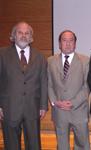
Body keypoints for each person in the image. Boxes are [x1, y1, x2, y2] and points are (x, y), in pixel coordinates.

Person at [0, 21, 48, 150]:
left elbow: (43, 81)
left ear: (31, 37)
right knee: (11, 145)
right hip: (9, 108)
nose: (23, 35)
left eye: (27, 33)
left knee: (33, 145)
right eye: (20, 32)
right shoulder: (2, 54)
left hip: (32, 108)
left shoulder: (40, 57)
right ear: (13, 35)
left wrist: (43, 105)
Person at [47, 30, 90, 150]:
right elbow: (49, 84)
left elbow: (87, 86)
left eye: (71, 40)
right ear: (59, 44)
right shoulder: (50, 61)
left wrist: (73, 103)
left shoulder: (85, 61)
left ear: (75, 43)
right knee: (62, 146)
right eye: (64, 40)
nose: (68, 43)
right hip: (59, 111)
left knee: (82, 145)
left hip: (79, 110)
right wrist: (55, 102)